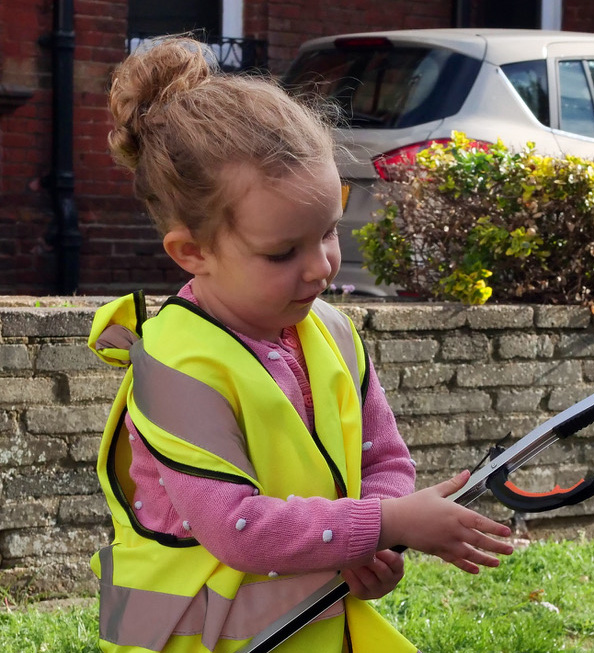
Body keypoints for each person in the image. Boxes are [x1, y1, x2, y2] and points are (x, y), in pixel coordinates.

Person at [87, 36, 513, 653]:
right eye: (283, 252)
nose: (321, 269)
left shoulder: (330, 331)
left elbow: (384, 461)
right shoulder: (174, 365)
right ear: (192, 252)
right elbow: (237, 527)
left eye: (328, 233)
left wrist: (375, 543)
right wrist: (386, 523)